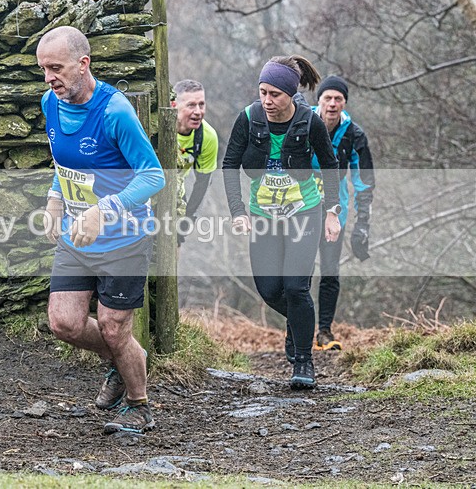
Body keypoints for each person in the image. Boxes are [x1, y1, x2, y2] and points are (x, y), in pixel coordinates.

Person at [36, 26, 165, 433]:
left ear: (83, 64)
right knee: (64, 323)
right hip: (79, 237)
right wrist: (55, 199)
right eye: (43, 69)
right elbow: (65, 163)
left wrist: (105, 209)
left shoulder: (115, 112)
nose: (49, 78)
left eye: (55, 68)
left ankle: (138, 403)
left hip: (124, 236)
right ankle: (121, 358)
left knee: (113, 325)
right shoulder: (50, 103)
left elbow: (153, 176)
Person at [222, 55, 341, 389]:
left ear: (291, 94)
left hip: (304, 212)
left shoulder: (310, 122)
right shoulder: (248, 118)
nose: (267, 101)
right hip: (263, 215)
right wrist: (238, 211)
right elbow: (229, 164)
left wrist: (332, 212)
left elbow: (330, 165)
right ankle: (299, 324)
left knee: (296, 285)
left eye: (274, 94)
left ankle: (303, 361)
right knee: (270, 289)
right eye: (262, 92)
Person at [312, 76, 375, 350]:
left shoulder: (354, 134)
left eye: (338, 98)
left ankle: (324, 331)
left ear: (344, 103)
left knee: (330, 271)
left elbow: (364, 182)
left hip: (335, 212)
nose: (333, 103)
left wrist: (363, 225)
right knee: (297, 271)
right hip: (299, 207)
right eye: (328, 98)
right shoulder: (304, 123)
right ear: (319, 101)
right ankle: (297, 330)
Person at [172, 79, 218, 245]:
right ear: (173, 105)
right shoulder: (158, 127)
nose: (198, 111)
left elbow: (203, 184)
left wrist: (188, 219)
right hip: (149, 187)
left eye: (201, 104)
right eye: (191, 105)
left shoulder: (207, 136)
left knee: (176, 238)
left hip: (177, 190)